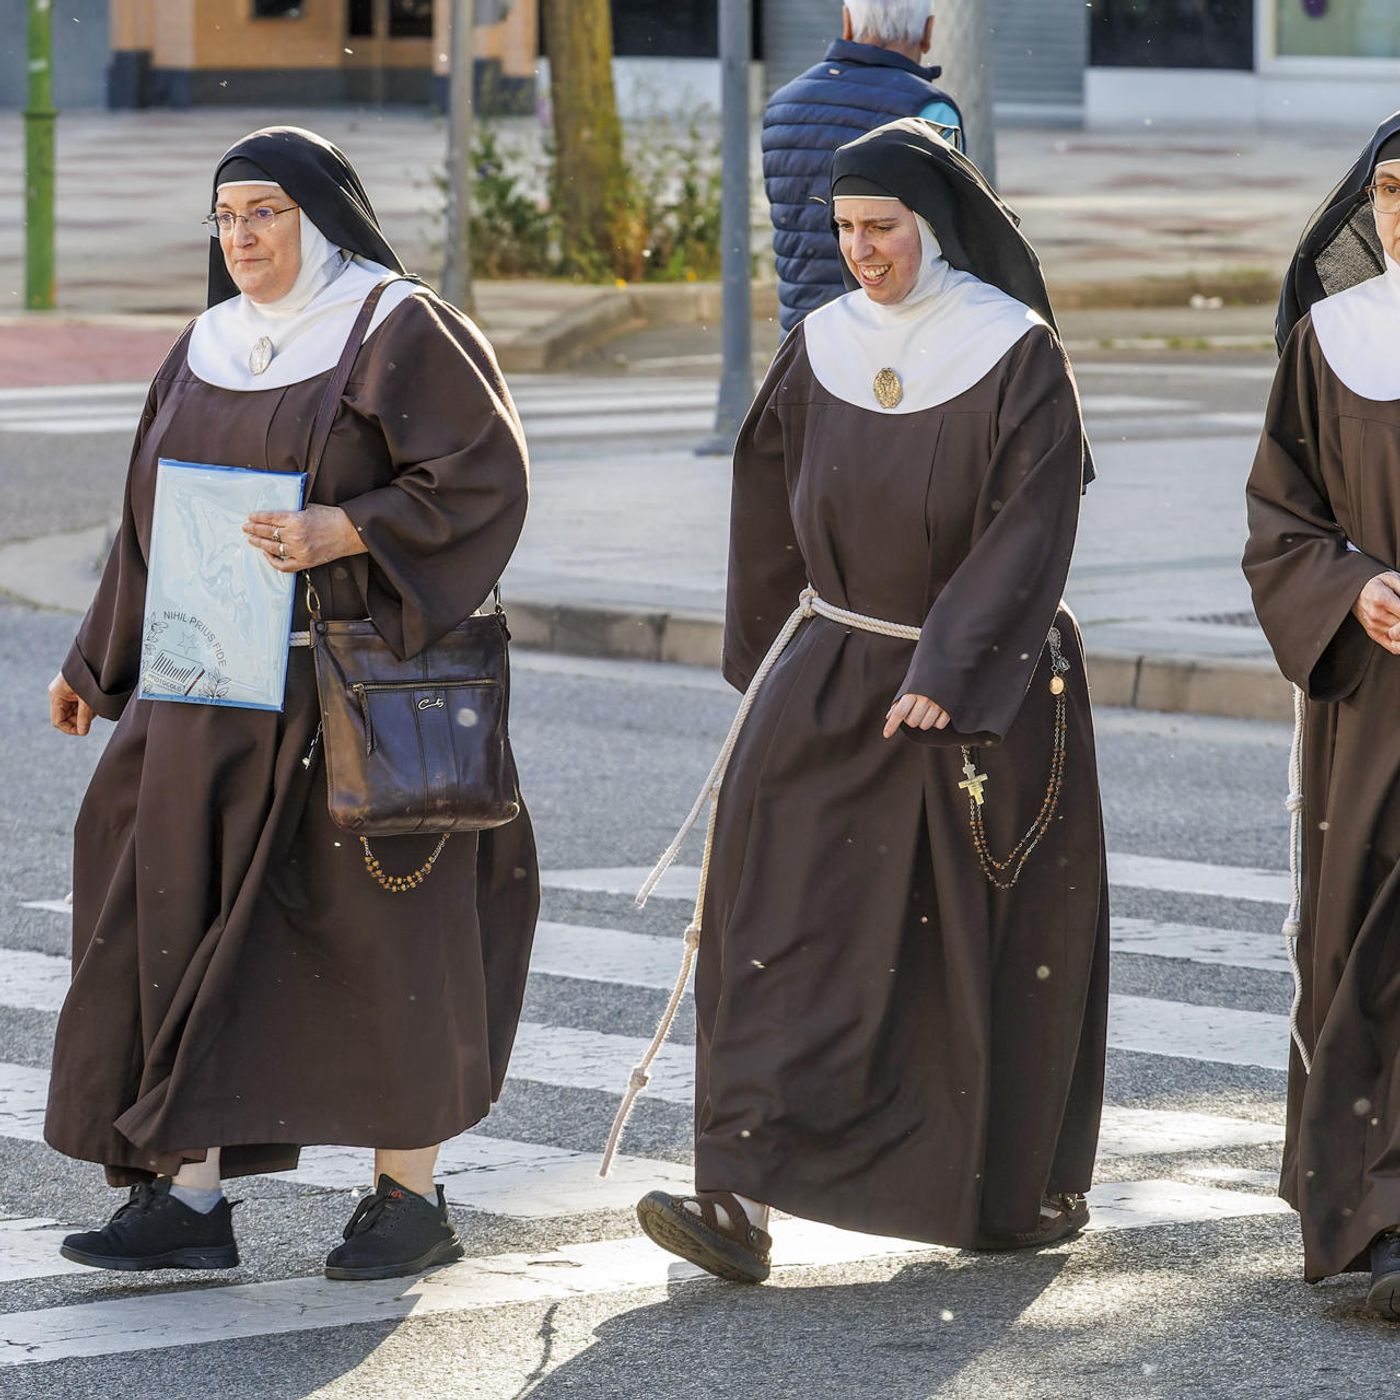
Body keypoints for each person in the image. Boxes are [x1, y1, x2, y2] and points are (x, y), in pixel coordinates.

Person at [44, 125, 539, 1282]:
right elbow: (146, 523)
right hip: (207, 683)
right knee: (175, 914)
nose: (241, 237)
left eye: (262, 211)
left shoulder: (392, 326)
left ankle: (407, 1196)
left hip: (348, 690)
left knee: (380, 942)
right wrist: (93, 665)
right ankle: (189, 1194)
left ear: (317, 214)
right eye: (224, 218)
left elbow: (482, 475)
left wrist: (351, 525)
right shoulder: (207, 342)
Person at [627, 118, 1109, 1284]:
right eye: (842, 229)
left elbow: (1029, 526)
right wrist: (774, 663)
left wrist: (948, 671)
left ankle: (995, 1188)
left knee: (960, 952)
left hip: (972, 691)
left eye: (879, 227)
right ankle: (733, 1195)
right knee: (769, 932)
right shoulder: (820, 344)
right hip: (833, 668)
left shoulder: (1012, 349)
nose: (861, 251)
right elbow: (764, 504)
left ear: (930, 227)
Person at [1244, 112, 1400, 1318]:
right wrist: (1350, 587)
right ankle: (1374, 1211)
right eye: (1387, 189)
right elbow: (1277, 516)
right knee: (1366, 947)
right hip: (1376, 695)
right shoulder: (1330, 338)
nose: (1399, 211)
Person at [763, 0, 963, 335]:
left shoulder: (783, 104)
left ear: (847, 23)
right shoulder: (929, 110)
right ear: (928, 33)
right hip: (899, 333)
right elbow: (948, 235)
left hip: (804, 334)